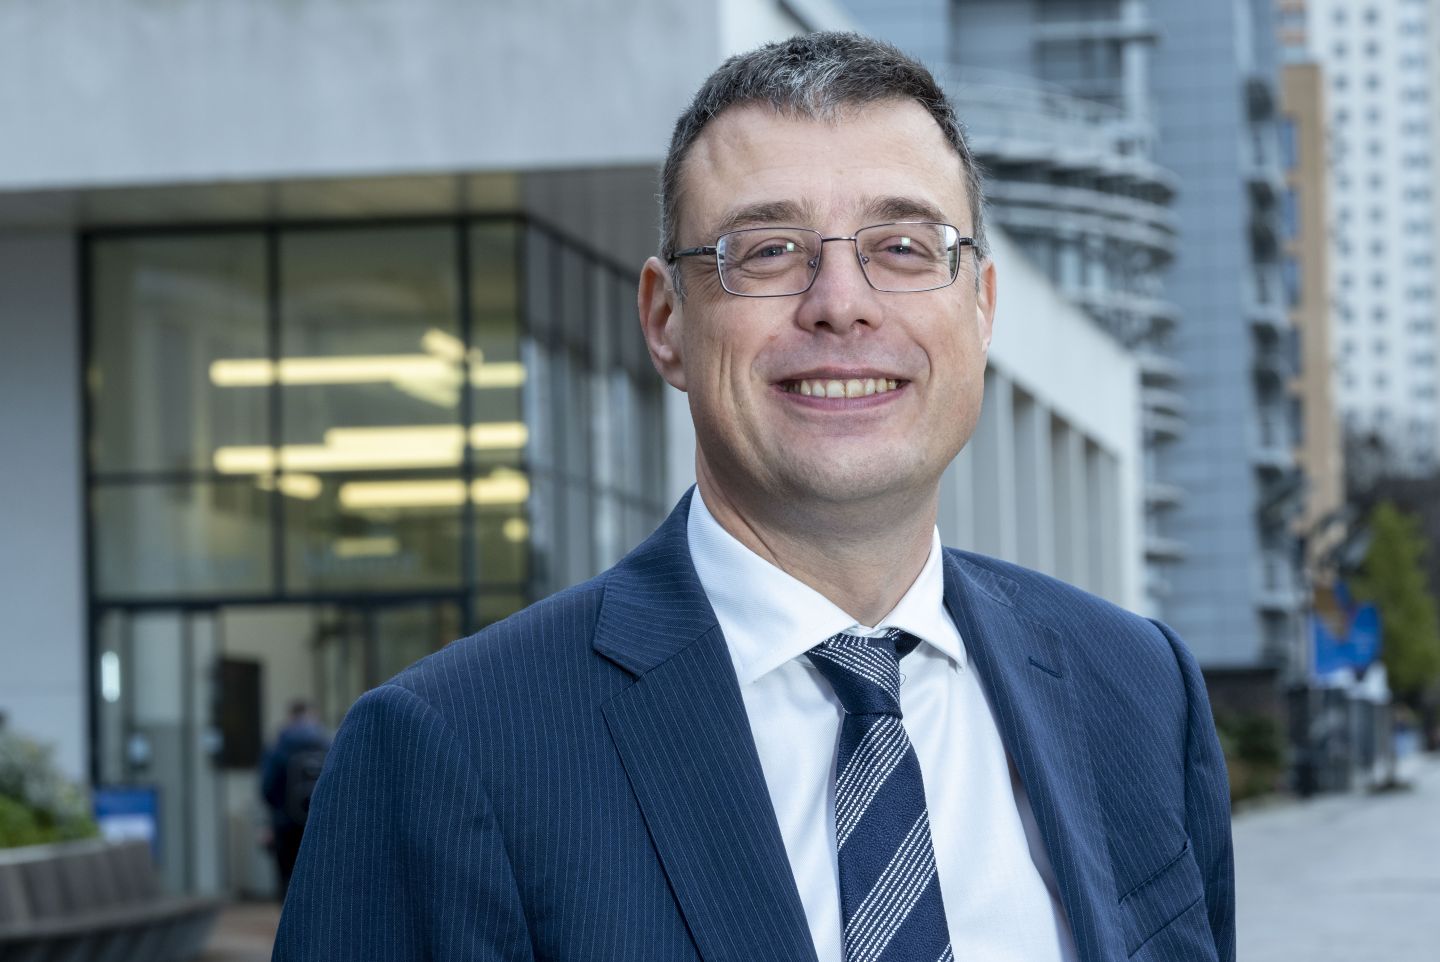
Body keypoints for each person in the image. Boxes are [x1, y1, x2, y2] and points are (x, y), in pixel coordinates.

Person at [273, 32, 1234, 962]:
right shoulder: (451, 752)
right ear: (666, 322)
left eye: (902, 246)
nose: (841, 302)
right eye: (768, 251)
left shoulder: (1139, 689)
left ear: (980, 304)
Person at [260, 699, 330, 903]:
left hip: (285, 824)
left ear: (290, 717)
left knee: (287, 878)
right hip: (319, 823)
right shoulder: (327, 744)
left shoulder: (279, 746)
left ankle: (288, 926)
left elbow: (267, 788)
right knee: (317, 877)